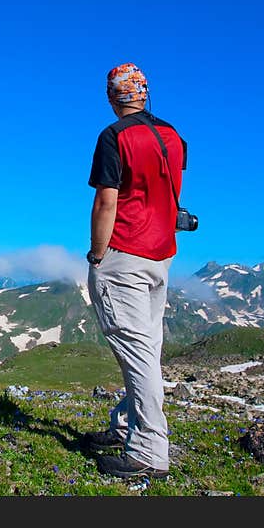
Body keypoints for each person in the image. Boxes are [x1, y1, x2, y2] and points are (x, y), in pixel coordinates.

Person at [84, 62, 187, 479]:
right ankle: (127, 425)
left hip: (124, 252)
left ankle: (148, 450)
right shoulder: (173, 137)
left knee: (137, 351)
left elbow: (107, 201)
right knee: (149, 348)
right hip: (161, 256)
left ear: (112, 98)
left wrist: (97, 253)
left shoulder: (114, 136)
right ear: (145, 93)